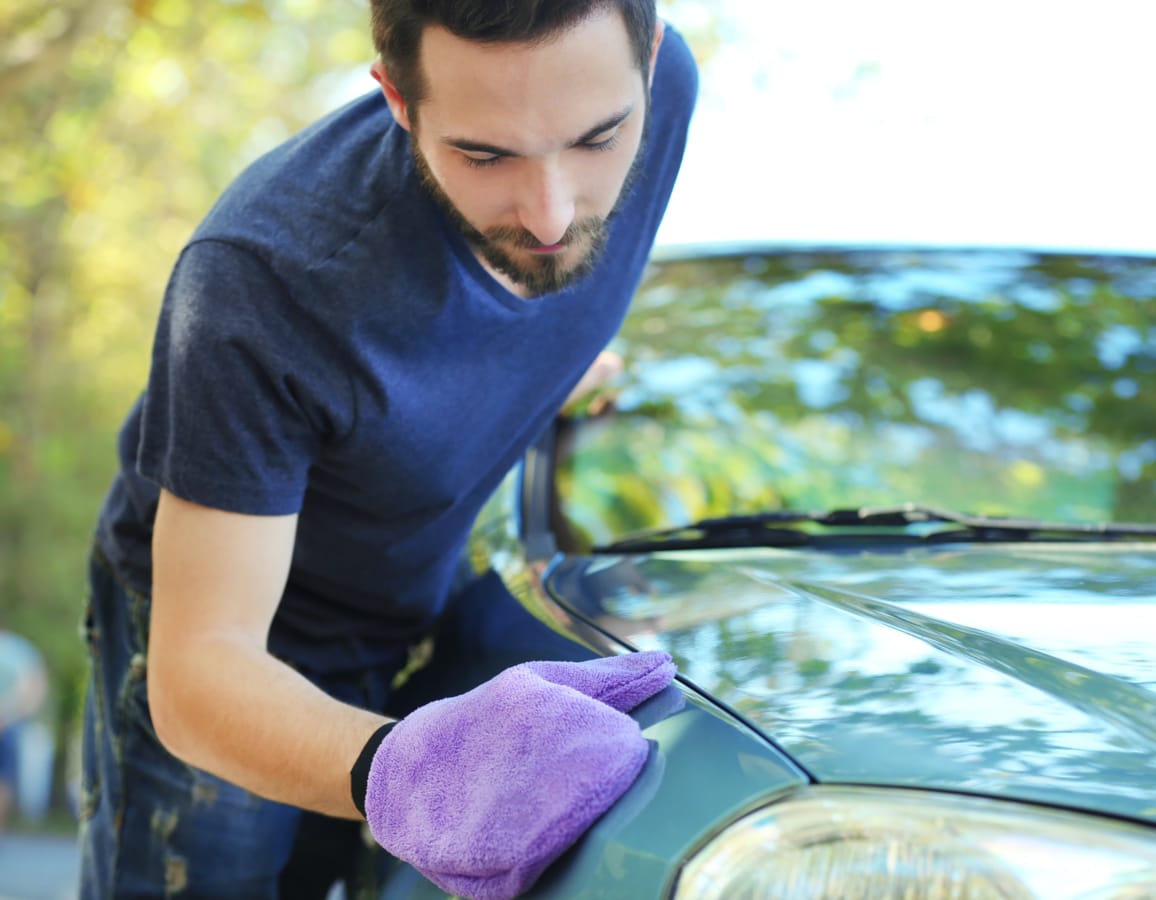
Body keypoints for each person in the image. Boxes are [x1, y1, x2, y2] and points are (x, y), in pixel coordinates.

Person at [80, 0, 697, 896]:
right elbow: (198, 669)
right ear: (399, 102)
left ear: (649, 60)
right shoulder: (260, 285)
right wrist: (405, 772)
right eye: (485, 156)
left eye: (599, 139)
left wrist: (546, 366)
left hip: (406, 608)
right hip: (232, 650)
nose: (553, 213)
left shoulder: (666, 91)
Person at [0, 629, 53, 831]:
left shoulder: (19, 650)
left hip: (11, 722)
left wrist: (14, 713)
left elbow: (34, 688)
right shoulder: (20, 650)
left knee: (4, 777)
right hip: (11, 719)